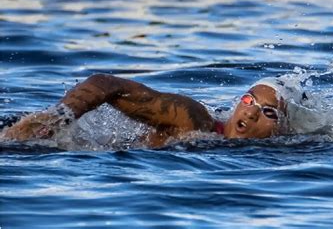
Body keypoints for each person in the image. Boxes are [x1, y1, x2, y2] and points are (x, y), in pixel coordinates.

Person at [1, 74, 308, 148]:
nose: (251, 113)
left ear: (284, 130)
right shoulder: (193, 119)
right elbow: (106, 83)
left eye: (269, 113)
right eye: (249, 101)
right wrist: (59, 117)